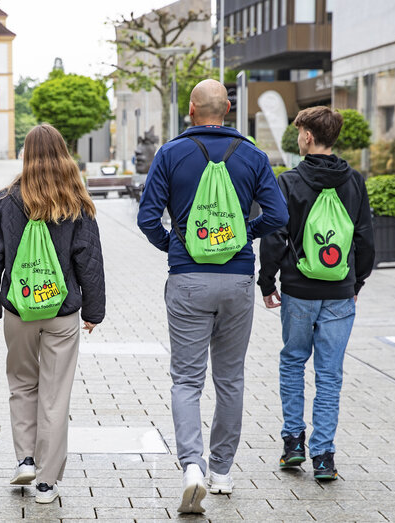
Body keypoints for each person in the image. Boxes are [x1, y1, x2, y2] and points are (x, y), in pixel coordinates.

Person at [136, 79, 289, 514]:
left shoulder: (170, 154)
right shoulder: (252, 155)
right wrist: (244, 234)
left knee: (187, 380)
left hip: (188, 280)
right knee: (230, 378)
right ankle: (221, 471)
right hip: (237, 279)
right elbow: (278, 214)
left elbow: (147, 218)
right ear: (228, 109)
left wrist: (177, 244)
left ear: (191, 109)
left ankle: (192, 467)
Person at [0, 123, 105, 505]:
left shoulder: (4, 201)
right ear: (63, 154)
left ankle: (26, 459)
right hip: (62, 313)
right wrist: (94, 310)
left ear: (26, 155)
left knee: (21, 384)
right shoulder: (76, 201)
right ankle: (47, 483)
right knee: (55, 394)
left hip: (19, 311)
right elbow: (89, 260)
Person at [258, 106, 375, 481]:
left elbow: (275, 235)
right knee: (329, 374)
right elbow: (365, 239)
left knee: (293, 361)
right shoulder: (354, 182)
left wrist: (267, 281)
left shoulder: (289, 182)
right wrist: (355, 283)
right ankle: (324, 456)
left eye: (299, 133)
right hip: (339, 291)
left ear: (308, 137)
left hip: (298, 290)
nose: (298, 138)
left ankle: (293, 443)